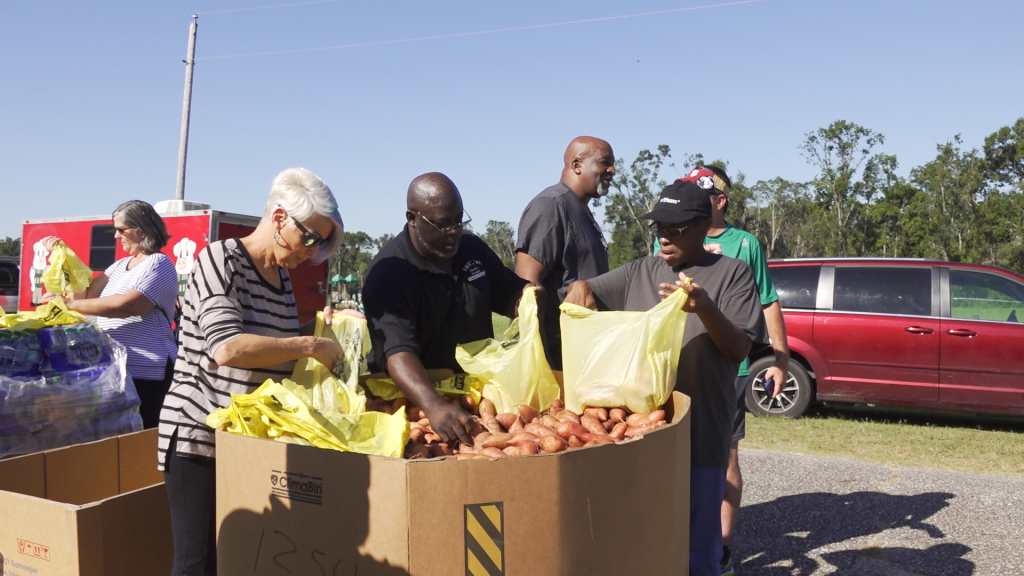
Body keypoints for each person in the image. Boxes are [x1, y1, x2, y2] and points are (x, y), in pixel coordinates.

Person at [564, 180, 767, 576]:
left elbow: (740, 349)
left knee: (696, 550)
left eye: (676, 230)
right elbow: (589, 291)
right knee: (640, 544)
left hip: (701, 433)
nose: (664, 238)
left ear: (703, 225)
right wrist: (580, 287)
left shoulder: (732, 274)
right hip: (640, 439)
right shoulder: (641, 271)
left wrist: (704, 308)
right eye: (659, 228)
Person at [157, 167, 346, 576]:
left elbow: (275, 349)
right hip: (198, 437)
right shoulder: (219, 259)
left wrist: (324, 327)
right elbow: (228, 348)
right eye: (309, 238)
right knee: (197, 561)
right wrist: (310, 345)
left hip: (243, 443)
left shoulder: (280, 276)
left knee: (238, 558)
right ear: (280, 219)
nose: (311, 253)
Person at [363, 172, 536, 445]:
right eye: (443, 225)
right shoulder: (389, 273)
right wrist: (432, 405)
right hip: (412, 401)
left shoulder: (472, 250)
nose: (454, 231)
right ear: (412, 218)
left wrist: (529, 298)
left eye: (459, 221)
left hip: (471, 398)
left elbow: (510, 292)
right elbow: (397, 351)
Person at [681, 166, 789, 576]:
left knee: (723, 457)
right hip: (682, 362)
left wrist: (780, 359)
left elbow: (768, 301)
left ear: (719, 201)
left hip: (730, 367)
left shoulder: (744, 244)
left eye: (699, 193)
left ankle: (722, 549)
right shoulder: (670, 237)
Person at [41, 200, 179, 429]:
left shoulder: (158, 263)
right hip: (116, 372)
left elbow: (130, 306)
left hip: (147, 371)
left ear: (141, 230)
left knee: (143, 437)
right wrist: (60, 257)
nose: (116, 236)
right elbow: (85, 298)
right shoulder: (118, 266)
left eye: (120, 229)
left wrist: (69, 304)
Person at [515, 136, 613, 369]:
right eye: (604, 163)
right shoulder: (551, 206)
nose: (612, 170)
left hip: (583, 352)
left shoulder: (581, 210)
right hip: (558, 358)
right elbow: (526, 291)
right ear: (577, 165)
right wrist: (542, 364)